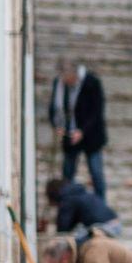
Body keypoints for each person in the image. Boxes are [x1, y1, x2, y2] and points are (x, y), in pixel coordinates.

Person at [49, 60, 108, 199]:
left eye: (68, 80)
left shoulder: (92, 83)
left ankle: (101, 205)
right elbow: (54, 108)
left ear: (74, 76)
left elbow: (96, 112)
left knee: (96, 172)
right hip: (69, 135)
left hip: (90, 135)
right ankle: (67, 204)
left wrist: (82, 131)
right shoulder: (59, 84)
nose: (66, 83)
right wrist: (57, 125)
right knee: (67, 172)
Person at [45, 177, 122, 240]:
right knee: (81, 233)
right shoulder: (77, 192)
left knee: (78, 241)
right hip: (116, 223)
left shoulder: (67, 199)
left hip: (104, 227)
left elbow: (62, 229)